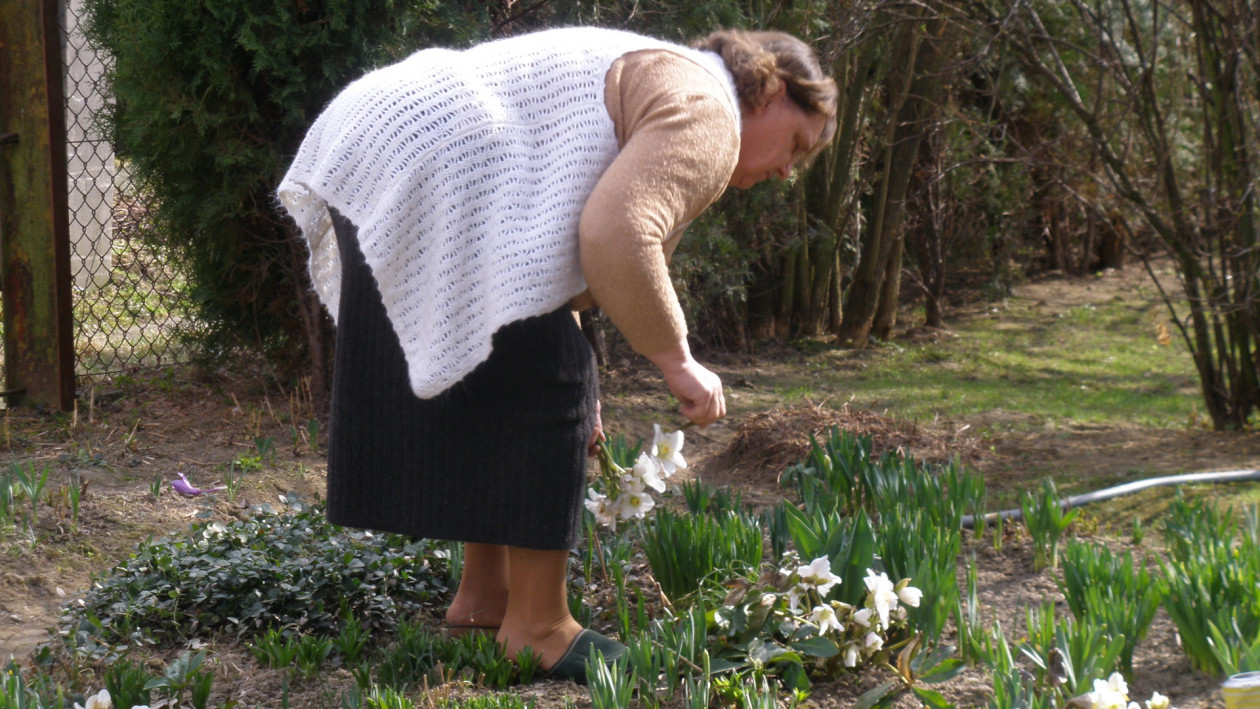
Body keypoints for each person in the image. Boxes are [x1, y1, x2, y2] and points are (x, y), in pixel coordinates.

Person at [277, 25, 836, 683]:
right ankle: (538, 627)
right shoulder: (712, 108)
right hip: (430, 151)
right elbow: (618, 233)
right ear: (768, 89)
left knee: (508, 363)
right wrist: (677, 359)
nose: (786, 171)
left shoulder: (677, 80)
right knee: (556, 376)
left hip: (385, 132)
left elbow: (569, 259)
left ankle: (485, 596)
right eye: (796, 144)